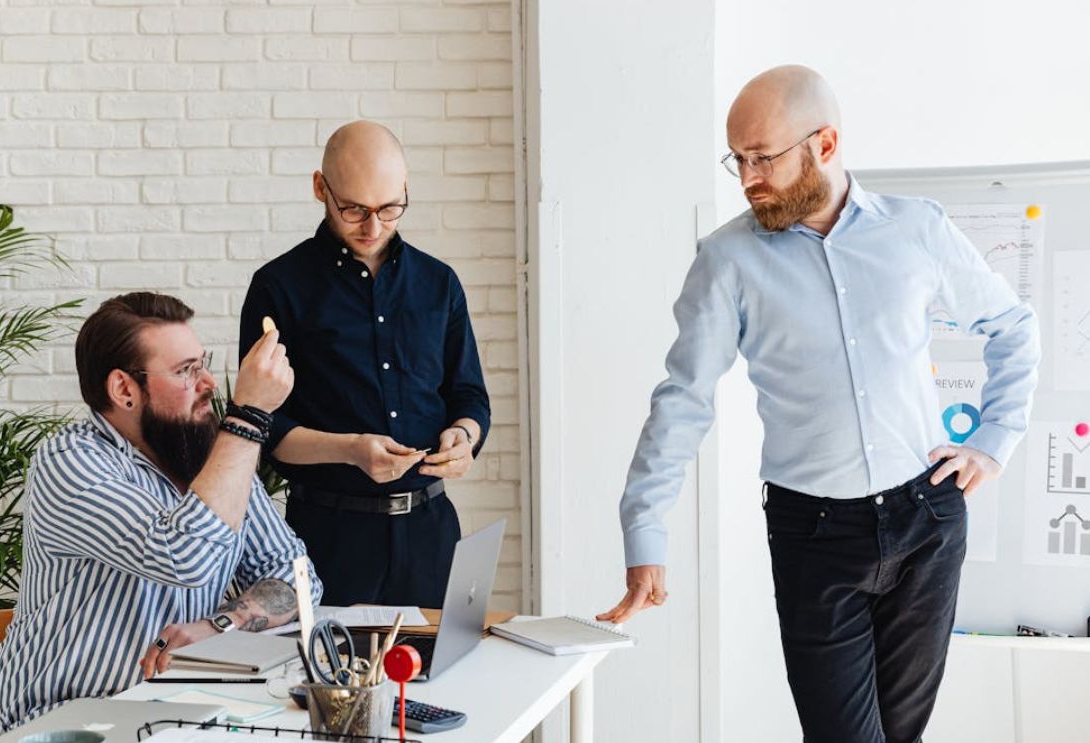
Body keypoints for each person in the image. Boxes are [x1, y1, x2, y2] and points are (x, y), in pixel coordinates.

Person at [597, 65, 1040, 743]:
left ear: (824, 145)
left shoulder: (916, 230)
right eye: (736, 160)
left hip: (926, 518)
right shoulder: (726, 261)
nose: (746, 178)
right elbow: (681, 399)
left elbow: (1012, 326)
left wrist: (993, 439)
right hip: (813, 535)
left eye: (762, 158)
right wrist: (644, 532)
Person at [0, 292, 321, 733]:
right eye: (186, 371)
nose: (210, 385)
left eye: (201, 364)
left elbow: (299, 579)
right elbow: (183, 557)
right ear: (124, 389)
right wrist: (248, 416)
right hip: (65, 718)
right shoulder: (69, 460)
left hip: (175, 710)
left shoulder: (212, 458)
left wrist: (225, 621)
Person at [238, 120, 490, 609]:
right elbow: (263, 427)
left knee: (440, 680)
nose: (373, 227)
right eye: (353, 209)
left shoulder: (440, 283)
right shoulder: (278, 287)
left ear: (405, 190)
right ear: (320, 188)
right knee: (332, 684)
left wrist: (465, 436)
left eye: (390, 208)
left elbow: (469, 396)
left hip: (430, 534)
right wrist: (350, 449)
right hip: (329, 539)